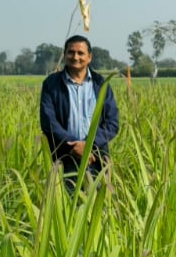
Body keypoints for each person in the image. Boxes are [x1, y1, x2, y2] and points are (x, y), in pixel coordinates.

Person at [39, 35, 119, 190]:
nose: (75, 57)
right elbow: (48, 122)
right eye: (71, 52)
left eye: (80, 53)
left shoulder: (101, 84)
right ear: (64, 55)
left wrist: (89, 146)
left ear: (89, 57)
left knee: (99, 207)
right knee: (66, 206)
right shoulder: (51, 84)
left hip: (96, 158)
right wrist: (74, 146)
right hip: (64, 158)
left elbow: (112, 123)